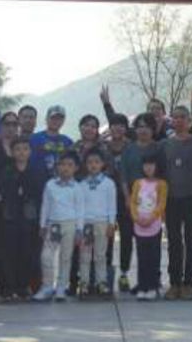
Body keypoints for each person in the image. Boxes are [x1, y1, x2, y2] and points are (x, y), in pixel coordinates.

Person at [160, 105, 192, 301]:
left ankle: (188, 283)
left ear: (189, 121)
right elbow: (160, 176)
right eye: (175, 117)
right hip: (170, 200)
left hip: (191, 198)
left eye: (182, 117)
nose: (179, 120)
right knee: (173, 242)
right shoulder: (164, 145)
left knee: (191, 241)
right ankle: (174, 283)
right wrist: (160, 203)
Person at [33, 151, 84, 303]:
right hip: (53, 224)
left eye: (70, 165)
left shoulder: (77, 187)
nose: (65, 168)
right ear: (57, 167)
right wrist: (43, 224)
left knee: (66, 257)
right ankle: (47, 286)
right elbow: (45, 205)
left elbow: (80, 210)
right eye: (62, 164)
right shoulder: (50, 185)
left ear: (76, 168)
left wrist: (79, 229)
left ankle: (61, 286)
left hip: (70, 224)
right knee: (46, 256)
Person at [0, 136, 40, 301]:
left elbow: (39, 194)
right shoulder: (6, 171)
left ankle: (23, 286)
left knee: (27, 252)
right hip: (10, 216)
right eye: (18, 149)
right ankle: (9, 286)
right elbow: (2, 192)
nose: (21, 152)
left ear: (30, 152)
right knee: (9, 252)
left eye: (25, 149)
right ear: (12, 152)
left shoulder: (35, 171)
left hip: (29, 217)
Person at [129, 154, 168, 301]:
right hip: (139, 224)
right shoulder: (138, 183)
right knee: (142, 257)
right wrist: (136, 217)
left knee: (153, 257)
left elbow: (161, 204)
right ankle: (142, 286)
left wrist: (151, 218)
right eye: (146, 165)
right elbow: (133, 202)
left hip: (154, 224)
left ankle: (152, 286)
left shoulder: (162, 184)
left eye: (151, 165)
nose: (149, 168)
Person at [79, 149, 116, 297]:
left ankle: (101, 282)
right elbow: (79, 206)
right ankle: (84, 283)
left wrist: (111, 223)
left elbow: (112, 205)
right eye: (90, 162)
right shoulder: (82, 184)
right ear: (85, 165)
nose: (93, 165)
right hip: (86, 224)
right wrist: (79, 226)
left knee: (100, 255)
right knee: (85, 255)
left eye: (96, 162)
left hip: (102, 223)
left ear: (102, 164)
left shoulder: (108, 184)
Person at [0, 111, 20, 297]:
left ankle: (17, 282)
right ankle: (2, 284)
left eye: (14, 124)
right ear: (1, 126)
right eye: (7, 124)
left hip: (18, 203)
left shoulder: (22, 147)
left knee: (16, 245)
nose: (10, 128)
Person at [103, 112, 133, 293]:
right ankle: (106, 275)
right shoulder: (103, 147)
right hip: (105, 199)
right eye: (114, 125)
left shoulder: (132, 147)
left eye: (122, 125)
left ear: (126, 128)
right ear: (110, 127)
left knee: (127, 237)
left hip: (126, 198)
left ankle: (124, 274)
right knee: (107, 237)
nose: (118, 128)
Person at [29, 105, 73, 185]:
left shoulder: (68, 141)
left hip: (60, 185)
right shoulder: (34, 138)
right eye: (53, 118)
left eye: (59, 119)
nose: (56, 121)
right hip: (37, 184)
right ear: (46, 119)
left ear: (63, 121)